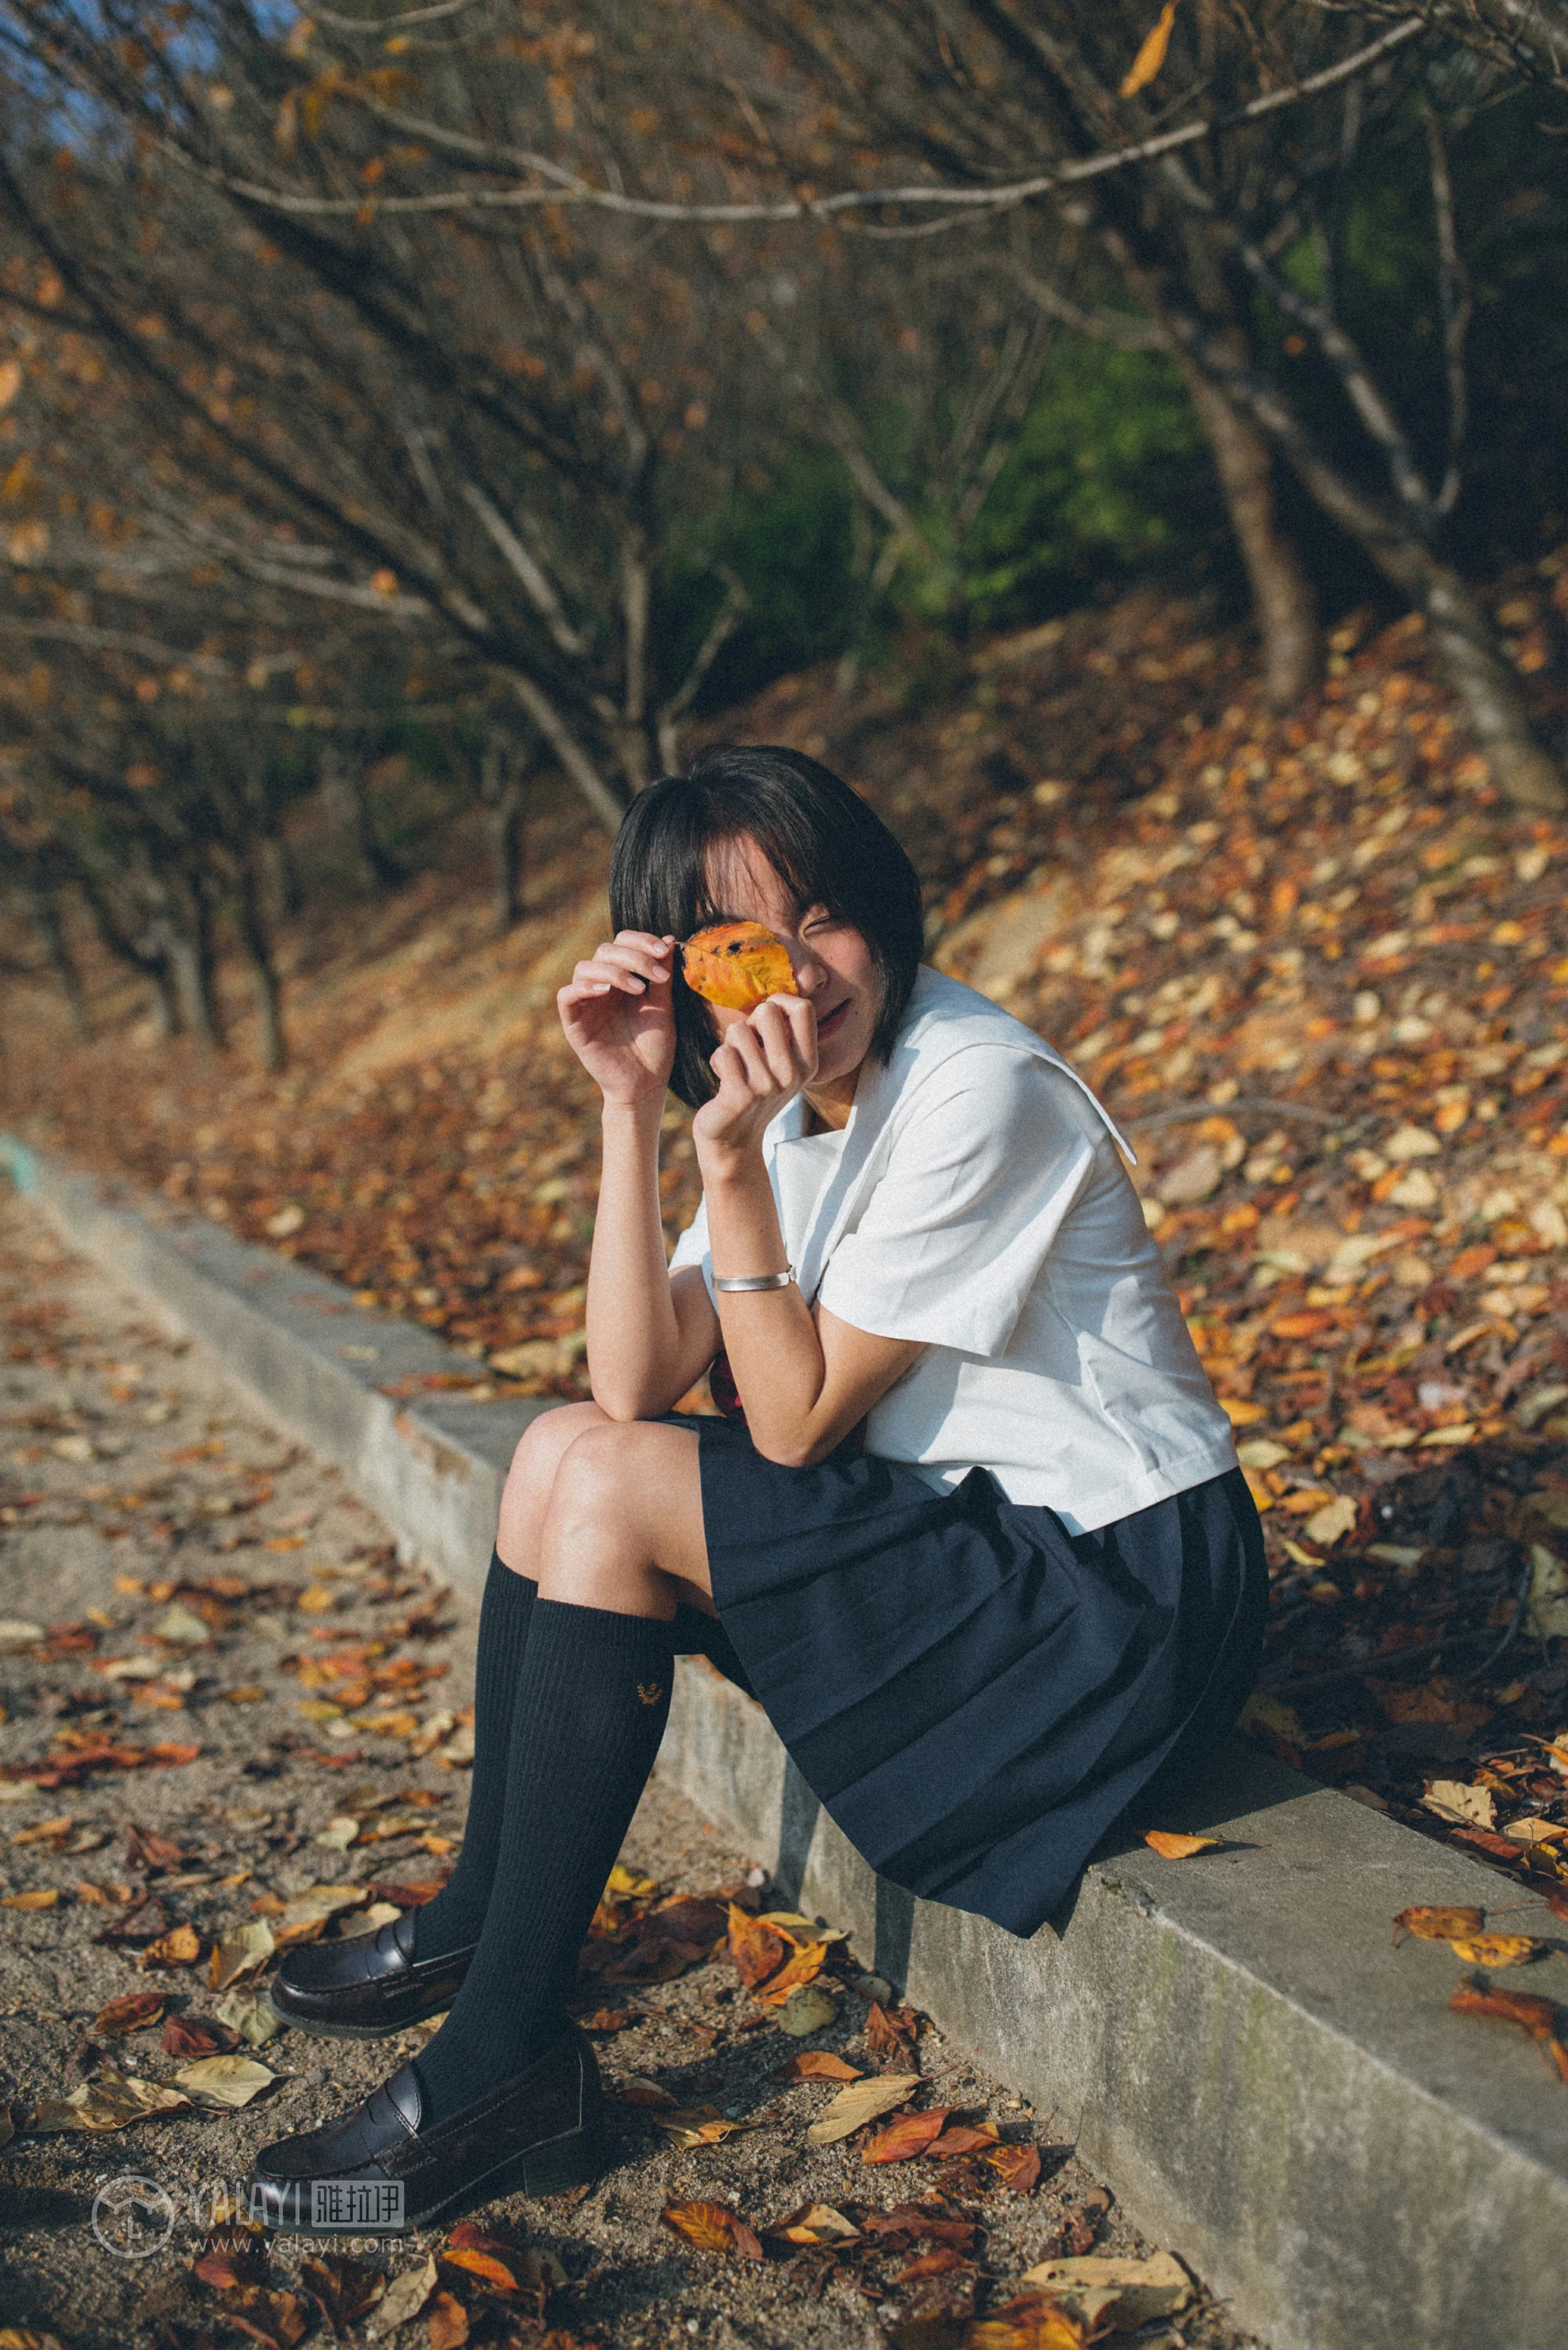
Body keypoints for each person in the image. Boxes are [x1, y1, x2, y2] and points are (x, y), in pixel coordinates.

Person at [250, 744, 1266, 2233]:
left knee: (606, 1487)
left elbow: (785, 1429)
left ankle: (502, 2063)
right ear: (686, 972)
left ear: (885, 908)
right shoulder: (793, 1102)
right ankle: (488, 1934)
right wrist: (630, 1106)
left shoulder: (977, 1088)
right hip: (968, 1537)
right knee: (556, 1455)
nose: (802, 969)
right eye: (745, 944)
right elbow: (625, 1382)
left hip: (1112, 1598)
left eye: (829, 913)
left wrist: (724, 1157)